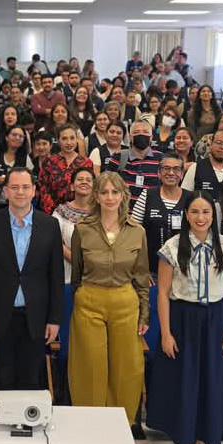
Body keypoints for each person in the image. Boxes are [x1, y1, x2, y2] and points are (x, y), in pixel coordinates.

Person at [0, 167, 63, 444]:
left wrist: (55, 318)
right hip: (0, 315)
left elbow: (55, 276)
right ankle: (0, 443)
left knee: (31, 379)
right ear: (6, 191)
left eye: (26, 187)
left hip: (36, 317)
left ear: (34, 191)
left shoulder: (49, 225)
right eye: (15, 187)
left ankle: (29, 441)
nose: (20, 192)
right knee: (2, 378)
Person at [150, 190, 223, 444]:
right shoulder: (172, 247)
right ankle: (184, 442)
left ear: (213, 215)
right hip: (182, 320)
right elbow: (162, 293)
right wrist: (166, 333)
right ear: (186, 215)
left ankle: (203, 441)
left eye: (206, 212)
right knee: (185, 382)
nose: (201, 218)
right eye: (195, 212)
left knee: (211, 382)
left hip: (216, 320)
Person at [69, 171, 149, 425]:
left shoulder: (137, 231)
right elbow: (76, 273)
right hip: (89, 301)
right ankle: (90, 427)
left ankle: (118, 427)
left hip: (125, 302)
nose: (110, 197)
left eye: (115, 192)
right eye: (104, 192)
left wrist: (144, 313)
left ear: (124, 196)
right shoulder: (82, 230)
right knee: (89, 367)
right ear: (96, 196)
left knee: (126, 368)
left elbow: (142, 276)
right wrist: (82, 296)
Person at [134, 152, 193, 262]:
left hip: (182, 264)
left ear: (182, 174)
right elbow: (134, 230)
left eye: (176, 169)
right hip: (150, 264)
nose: (171, 173)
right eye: (166, 168)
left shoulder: (191, 198)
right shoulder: (147, 195)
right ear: (159, 173)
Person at [103, 119, 164, 207]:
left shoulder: (162, 159)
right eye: (136, 132)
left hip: (152, 212)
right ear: (131, 137)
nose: (141, 134)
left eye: (145, 132)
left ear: (151, 137)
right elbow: (105, 185)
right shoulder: (118, 158)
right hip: (123, 213)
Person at [36, 124, 92, 214]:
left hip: (80, 213)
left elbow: (89, 190)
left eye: (72, 138)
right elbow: (44, 190)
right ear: (58, 141)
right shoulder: (49, 162)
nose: (69, 142)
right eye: (64, 138)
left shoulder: (86, 163)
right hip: (53, 213)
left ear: (77, 139)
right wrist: (55, 213)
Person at [52, 167, 93, 284]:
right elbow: (54, 240)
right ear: (72, 186)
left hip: (94, 275)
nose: (84, 182)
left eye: (88, 180)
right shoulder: (61, 211)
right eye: (80, 179)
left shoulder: (101, 213)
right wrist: (74, 260)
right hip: (66, 274)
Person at [0, 125, 33, 211]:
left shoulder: (25, 157)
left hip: (15, 203)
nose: (17, 138)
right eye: (14, 134)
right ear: (6, 137)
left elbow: (30, 180)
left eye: (21, 136)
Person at [182, 129, 223, 199]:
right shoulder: (195, 167)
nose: (222, 147)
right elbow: (184, 197)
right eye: (218, 143)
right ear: (211, 144)